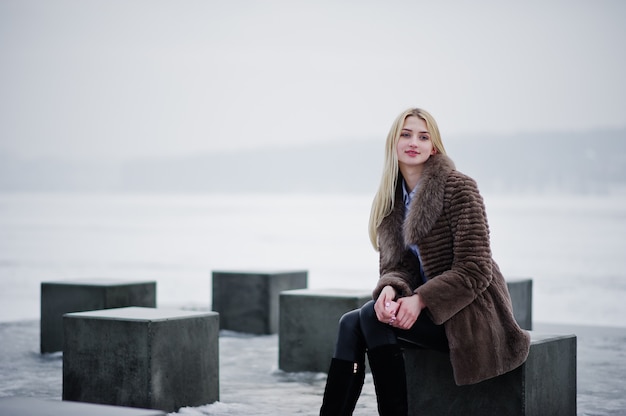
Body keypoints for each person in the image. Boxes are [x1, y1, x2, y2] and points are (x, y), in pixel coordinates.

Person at [319, 108, 531, 415]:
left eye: (423, 135)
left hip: (470, 317)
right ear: (393, 143)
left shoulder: (459, 188)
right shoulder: (392, 200)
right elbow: (399, 267)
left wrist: (420, 300)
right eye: (405, 134)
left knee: (367, 316)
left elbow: (476, 269)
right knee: (352, 321)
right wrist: (391, 290)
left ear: (434, 146)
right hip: (429, 315)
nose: (413, 142)